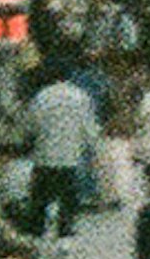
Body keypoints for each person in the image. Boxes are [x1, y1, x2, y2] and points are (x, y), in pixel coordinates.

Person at [23, 63, 98, 244]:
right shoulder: (80, 96)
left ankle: (37, 233)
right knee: (68, 196)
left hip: (45, 154)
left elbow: (31, 124)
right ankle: (65, 233)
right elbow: (88, 127)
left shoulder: (42, 96)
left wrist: (30, 140)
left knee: (41, 196)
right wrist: (91, 146)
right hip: (70, 154)